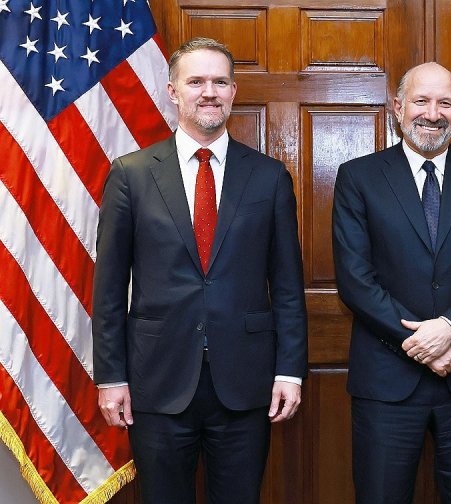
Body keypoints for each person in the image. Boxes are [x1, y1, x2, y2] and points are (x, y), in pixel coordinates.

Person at [92, 37, 307, 503]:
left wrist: (290, 371)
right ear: (173, 91)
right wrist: (111, 377)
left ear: (233, 91)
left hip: (246, 383)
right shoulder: (130, 174)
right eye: (196, 81)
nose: (209, 91)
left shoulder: (269, 177)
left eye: (220, 81)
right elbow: (108, 288)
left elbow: (288, 287)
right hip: (157, 382)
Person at [332, 62, 451, 504]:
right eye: (420, 101)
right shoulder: (358, 177)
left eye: (445, 103)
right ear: (398, 108)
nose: (432, 113)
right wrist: (419, 342)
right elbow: (355, 279)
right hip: (386, 381)